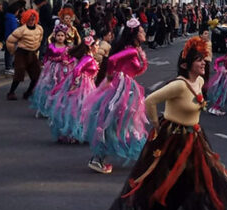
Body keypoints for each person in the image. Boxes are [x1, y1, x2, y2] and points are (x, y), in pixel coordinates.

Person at [100, 37, 227, 210]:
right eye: (199, 60)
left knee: (198, 178)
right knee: (165, 178)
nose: (204, 63)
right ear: (186, 64)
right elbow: (150, 100)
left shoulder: (200, 80)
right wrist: (157, 125)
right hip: (173, 137)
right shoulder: (179, 85)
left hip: (194, 136)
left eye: (204, 59)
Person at [82, 17, 149, 174]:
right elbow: (111, 60)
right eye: (141, 31)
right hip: (122, 88)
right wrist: (111, 77)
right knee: (114, 121)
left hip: (128, 87)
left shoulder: (134, 49)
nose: (144, 32)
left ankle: (137, 154)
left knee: (124, 121)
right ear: (134, 34)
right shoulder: (131, 50)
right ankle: (98, 157)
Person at [49, 34, 98, 144]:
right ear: (90, 47)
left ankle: (80, 133)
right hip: (83, 86)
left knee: (82, 109)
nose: (97, 47)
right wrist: (75, 83)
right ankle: (77, 133)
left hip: (87, 84)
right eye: (96, 45)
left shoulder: (88, 57)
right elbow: (77, 69)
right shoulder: (88, 58)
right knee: (81, 108)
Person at [29, 24, 73, 118]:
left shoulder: (67, 48)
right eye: (58, 35)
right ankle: (46, 108)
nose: (60, 37)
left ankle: (59, 109)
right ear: (55, 36)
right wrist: (45, 66)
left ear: (65, 37)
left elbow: (72, 59)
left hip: (62, 70)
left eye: (62, 35)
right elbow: (46, 57)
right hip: (51, 69)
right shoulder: (51, 46)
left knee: (61, 88)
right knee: (49, 87)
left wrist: (68, 62)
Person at [5, 10, 44, 101]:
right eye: (30, 18)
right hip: (21, 53)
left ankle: (28, 92)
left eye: (33, 18)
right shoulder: (21, 30)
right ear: (26, 19)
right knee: (19, 72)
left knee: (37, 75)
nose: (31, 20)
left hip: (33, 53)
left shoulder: (39, 29)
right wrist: (13, 52)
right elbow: (10, 41)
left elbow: (40, 40)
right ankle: (11, 92)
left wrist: (36, 49)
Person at [206, 40, 227, 116]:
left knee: (224, 91)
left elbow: (218, 61)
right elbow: (218, 61)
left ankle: (215, 108)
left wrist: (218, 69)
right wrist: (221, 69)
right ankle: (216, 108)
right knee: (223, 92)